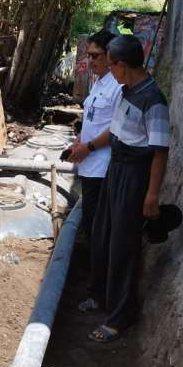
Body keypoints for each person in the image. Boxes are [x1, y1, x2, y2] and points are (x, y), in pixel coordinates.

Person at [77, 34, 170, 343]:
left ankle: (120, 316)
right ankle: (102, 296)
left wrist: (152, 195)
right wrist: (87, 147)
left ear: (120, 64)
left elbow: (159, 152)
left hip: (134, 175)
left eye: (108, 63)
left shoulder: (153, 101)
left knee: (122, 246)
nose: (105, 70)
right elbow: (114, 132)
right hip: (115, 170)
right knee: (103, 235)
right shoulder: (128, 91)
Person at [64, 30, 120, 241]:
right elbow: (93, 119)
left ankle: (97, 270)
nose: (90, 60)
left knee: (99, 227)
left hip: (103, 169)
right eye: (89, 54)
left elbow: (116, 128)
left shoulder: (119, 86)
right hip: (89, 166)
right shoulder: (99, 82)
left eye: (95, 55)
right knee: (90, 223)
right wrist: (78, 141)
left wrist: (88, 148)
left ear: (110, 56)